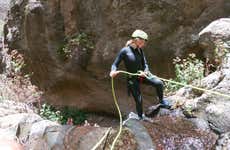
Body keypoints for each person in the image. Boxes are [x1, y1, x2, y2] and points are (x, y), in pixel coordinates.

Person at [110, 29, 171, 120]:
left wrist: (145, 72)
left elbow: (145, 64)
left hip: (143, 75)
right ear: (137, 40)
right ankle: (140, 116)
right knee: (138, 99)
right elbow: (115, 64)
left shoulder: (140, 50)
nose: (144, 43)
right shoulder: (125, 51)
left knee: (159, 83)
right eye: (143, 41)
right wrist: (113, 71)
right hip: (132, 78)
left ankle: (162, 101)